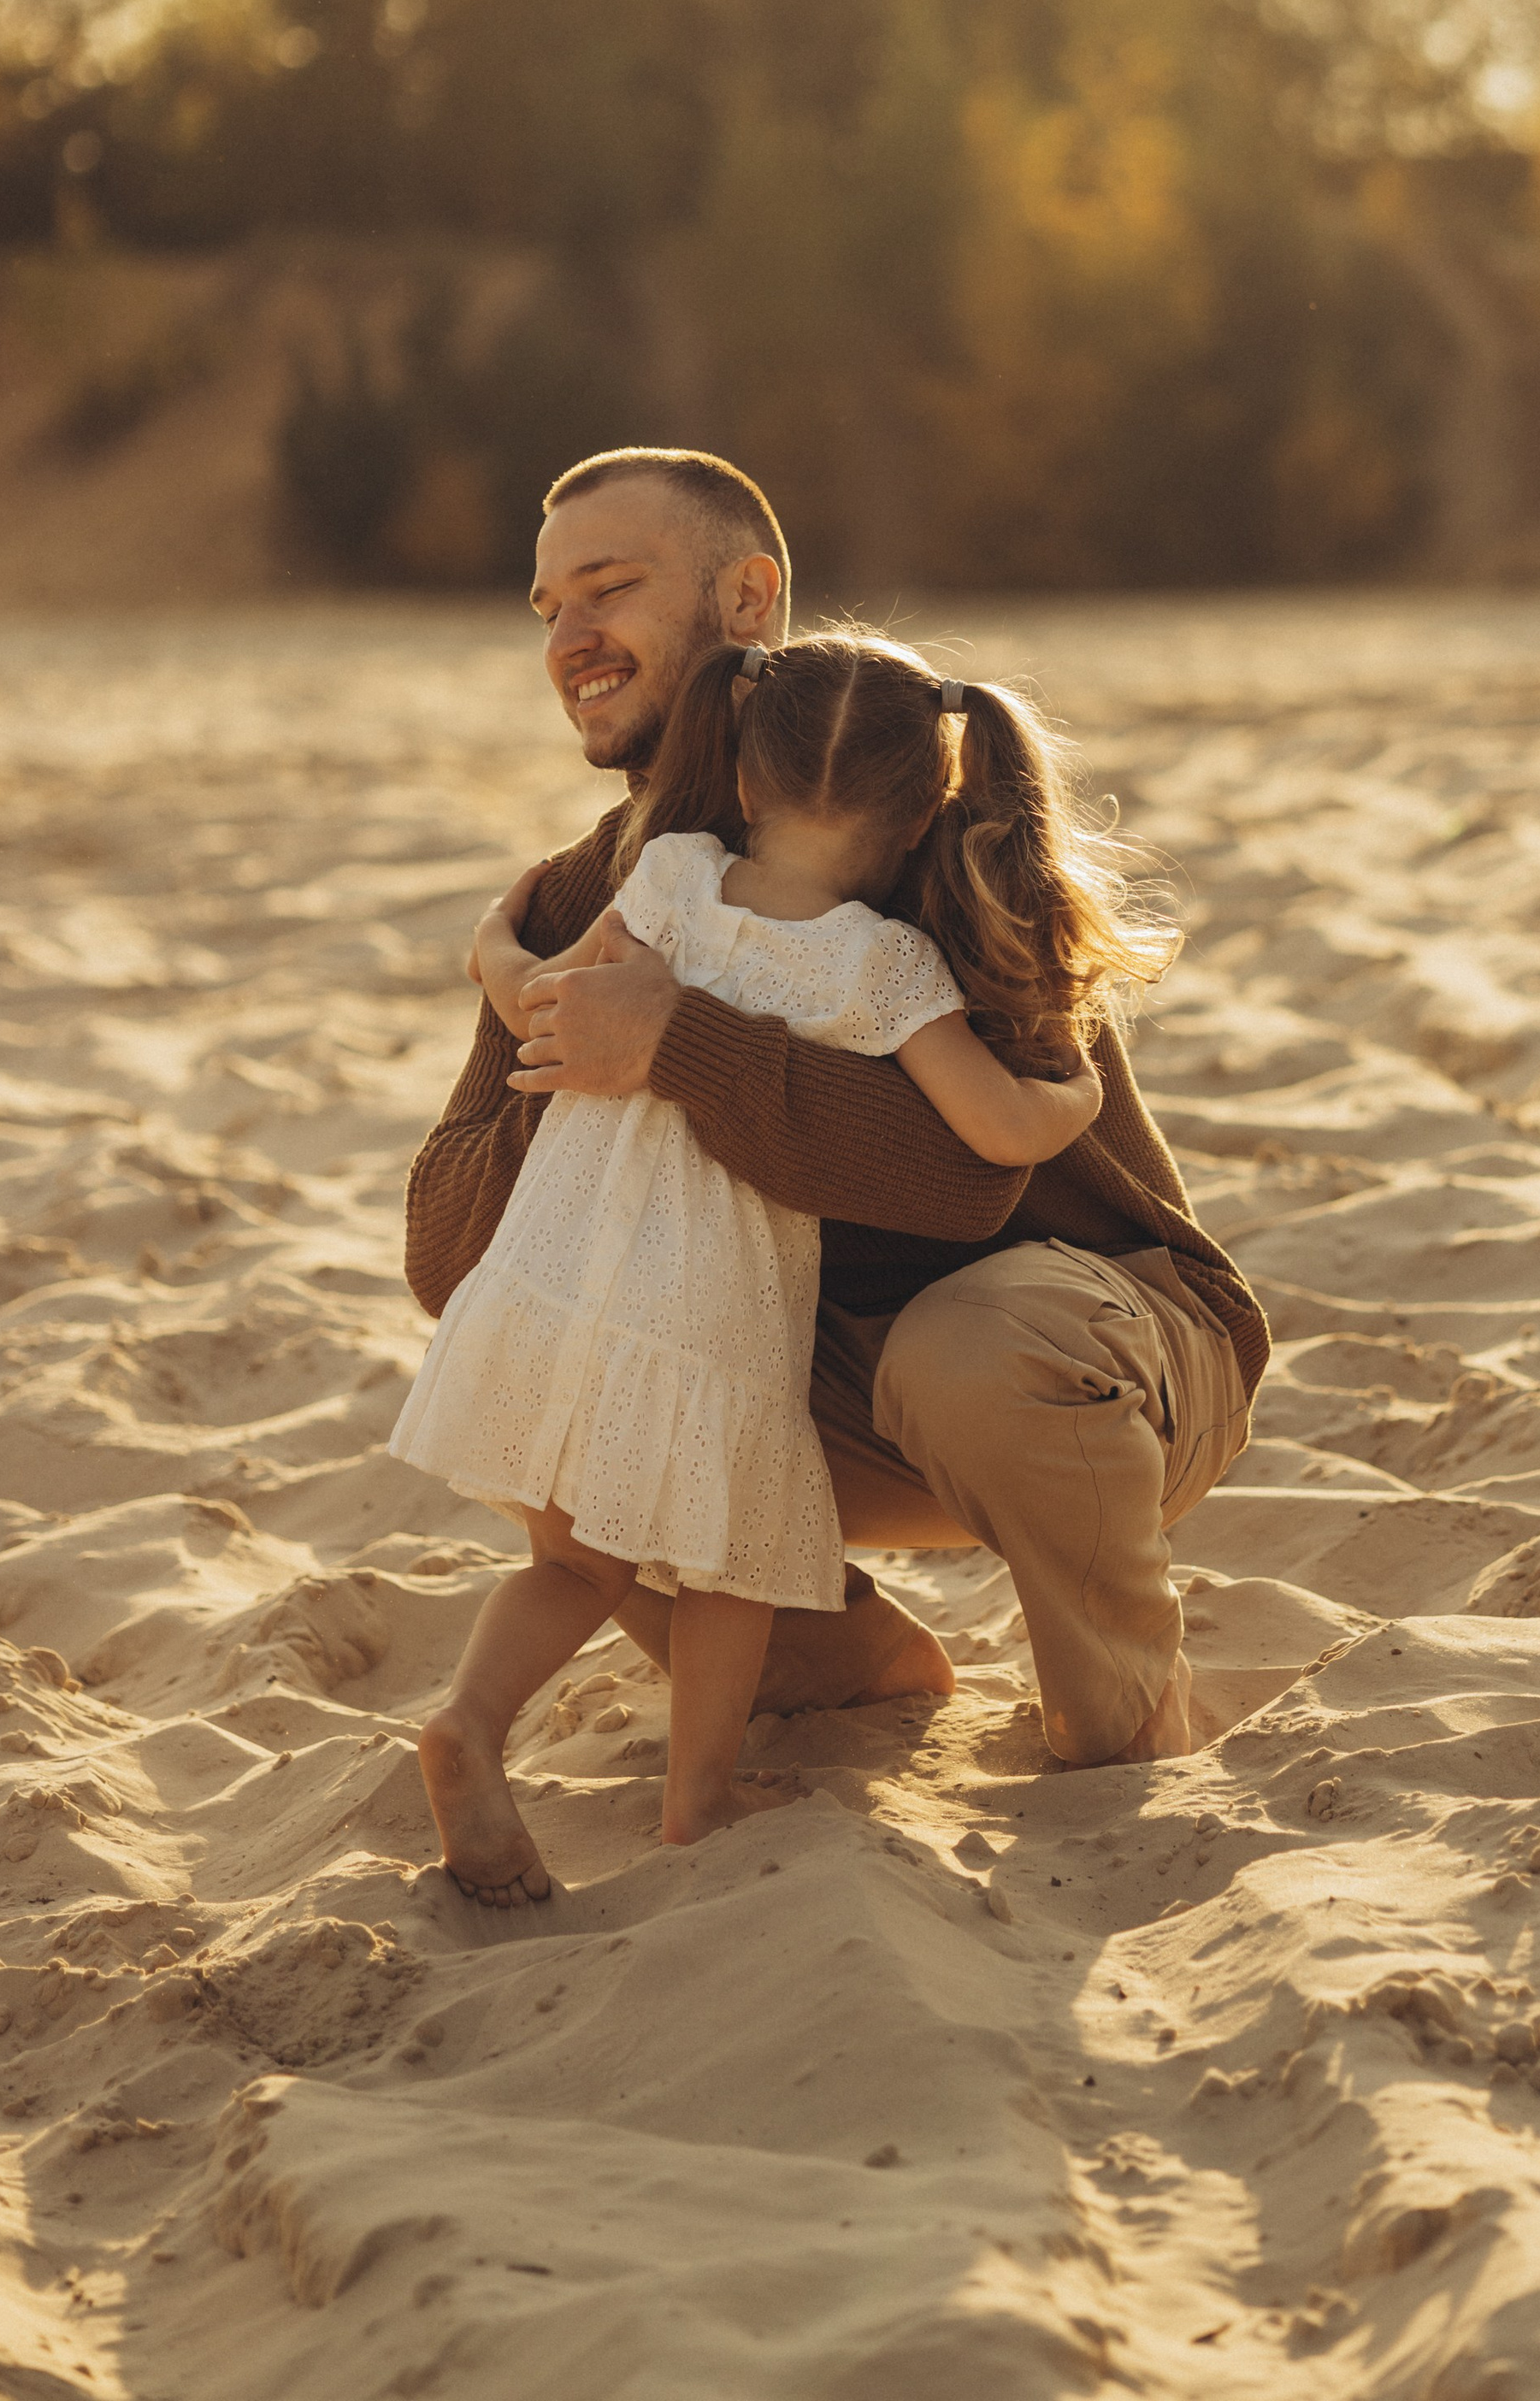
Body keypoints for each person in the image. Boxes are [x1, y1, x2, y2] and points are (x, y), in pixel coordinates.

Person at [404, 446, 1266, 1785]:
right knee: (544, 1357)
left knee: (965, 1347)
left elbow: (961, 1187)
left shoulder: (938, 837)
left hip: (1091, 1357)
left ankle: (1124, 1725)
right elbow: (443, 1249)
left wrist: (680, 1046)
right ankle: (835, 1663)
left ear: (748, 598)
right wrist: (574, 1056)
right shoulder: (601, 898)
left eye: (609, 587)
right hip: (810, 1384)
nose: (571, 637)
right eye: (545, 609)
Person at [392, 627, 1141, 1903]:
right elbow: (998, 1132)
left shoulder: (676, 875)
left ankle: (469, 1718)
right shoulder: (881, 960)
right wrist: (1071, 1093)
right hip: (712, 1293)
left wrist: (492, 952)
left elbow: (541, 1002)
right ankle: (702, 1799)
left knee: (572, 1562)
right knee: (735, 1557)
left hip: (566, 1267)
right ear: (919, 827)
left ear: (743, 782)